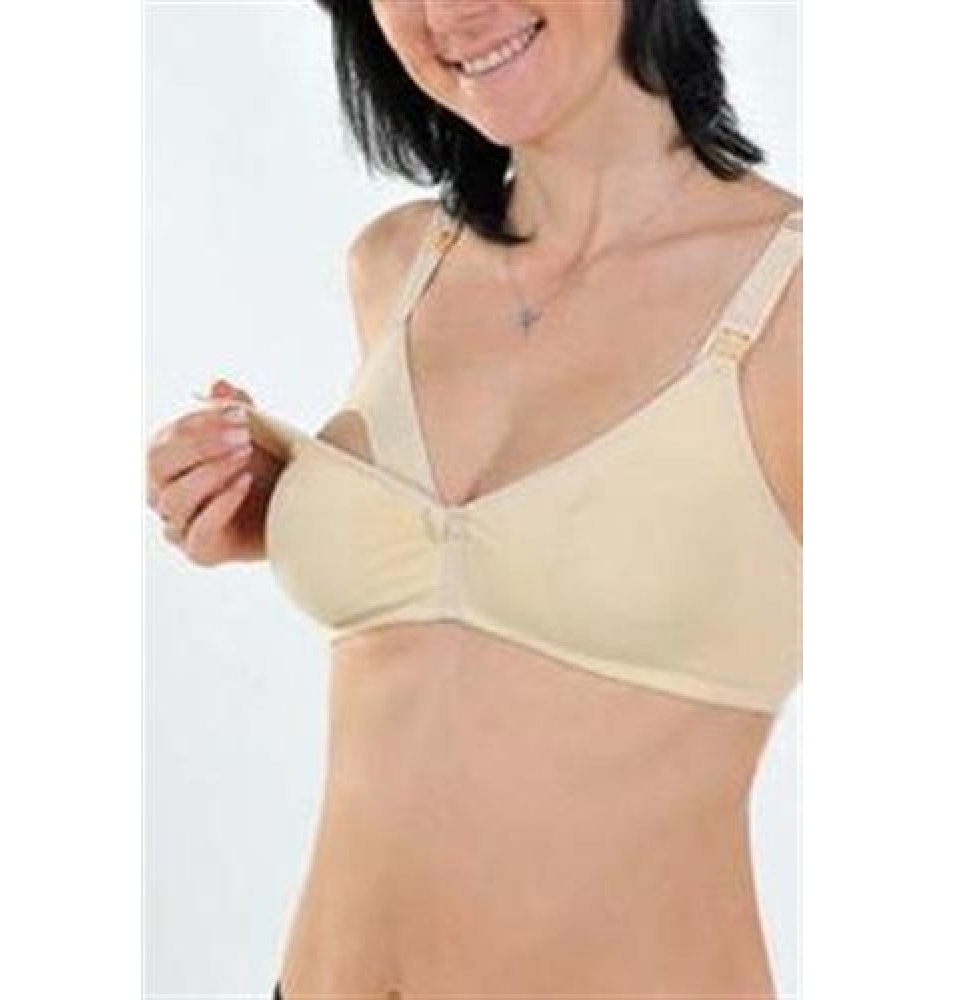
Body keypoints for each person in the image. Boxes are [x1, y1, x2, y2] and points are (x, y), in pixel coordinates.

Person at [146, 2, 803, 997]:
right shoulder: (397, 265)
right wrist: (276, 506)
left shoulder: (809, 310)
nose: (448, 10)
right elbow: (468, 594)